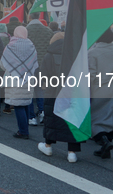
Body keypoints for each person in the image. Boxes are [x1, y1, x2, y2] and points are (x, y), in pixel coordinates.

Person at [37, 31, 80, 163]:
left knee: (52, 119)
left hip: (53, 91)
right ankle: (72, 152)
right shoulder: (75, 55)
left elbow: (42, 76)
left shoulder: (48, 56)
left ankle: (48, 146)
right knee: (72, 121)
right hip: (72, 92)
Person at [88, 28, 113, 158]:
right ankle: (107, 146)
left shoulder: (92, 52)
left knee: (95, 119)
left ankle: (103, 141)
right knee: (109, 117)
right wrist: (112, 25)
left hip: (99, 88)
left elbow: (91, 75)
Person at [0, 26, 37, 139]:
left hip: (14, 78)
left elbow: (3, 63)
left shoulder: (10, 46)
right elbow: (34, 62)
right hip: (28, 78)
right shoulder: (31, 46)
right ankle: (24, 129)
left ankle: (23, 131)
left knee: (18, 105)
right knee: (25, 103)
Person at [26, 13, 53, 126]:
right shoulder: (48, 31)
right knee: (40, 89)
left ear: (30, 17)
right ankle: (42, 112)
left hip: (29, 65)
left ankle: (31, 117)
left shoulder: (26, 31)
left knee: (29, 91)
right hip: (43, 64)